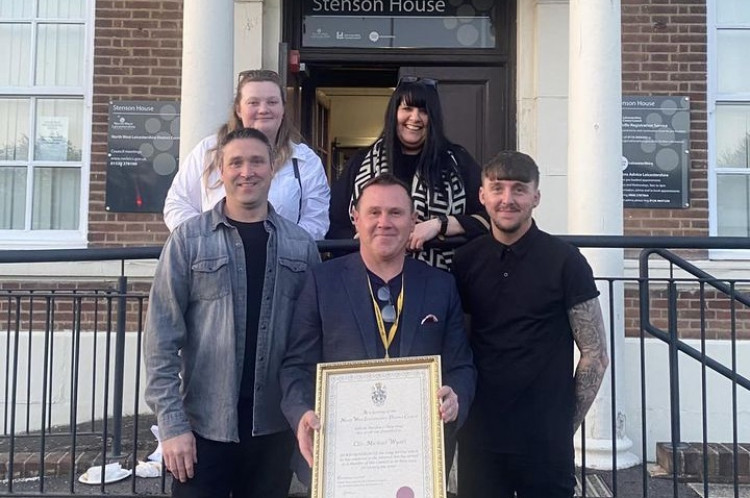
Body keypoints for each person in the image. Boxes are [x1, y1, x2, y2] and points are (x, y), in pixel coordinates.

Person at [144, 127, 321, 498]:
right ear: (219, 171)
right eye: (236, 162)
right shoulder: (188, 241)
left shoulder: (301, 246)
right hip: (202, 429)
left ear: (273, 168)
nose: (247, 171)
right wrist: (172, 426)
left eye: (257, 161)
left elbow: (311, 342)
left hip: (273, 429)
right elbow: (161, 340)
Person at [280, 173, 476, 484]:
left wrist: (456, 398)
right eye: (374, 212)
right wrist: (301, 412)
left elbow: (462, 366)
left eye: (396, 213)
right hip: (339, 459)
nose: (384, 222)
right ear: (356, 219)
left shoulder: (441, 285)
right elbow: (296, 366)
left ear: (413, 221)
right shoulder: (321, 282)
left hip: (416, 462)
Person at [452, 151, 610, 498]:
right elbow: (456, 345)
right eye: (497, 189)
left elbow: (595, 354)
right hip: (481, 436)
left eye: (519, 189)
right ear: (482, 196)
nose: (507, 199)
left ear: (536, 197)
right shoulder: (464, 261)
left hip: (545, 441)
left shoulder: (566, 261)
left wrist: (564, 423)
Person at [327, 76, 488, 269]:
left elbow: (489, 218)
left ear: (433, 118)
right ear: (394, 113)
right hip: (369, 281)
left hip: (439, 283)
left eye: (423, 111)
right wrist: (370, 233)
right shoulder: (361, 161)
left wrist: (438, 225)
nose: (415, 118)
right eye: (407, 109)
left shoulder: (457, 161)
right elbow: (334, 225)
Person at [164, 69, 330, 239]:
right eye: (253, 103)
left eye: (272, 102)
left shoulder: (305, 160)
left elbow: (316, 220)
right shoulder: (208, 152)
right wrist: (205, 242)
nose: (263, 109)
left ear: (283, 109)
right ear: (238, 109)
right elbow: (178, 203)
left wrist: (284, 248)